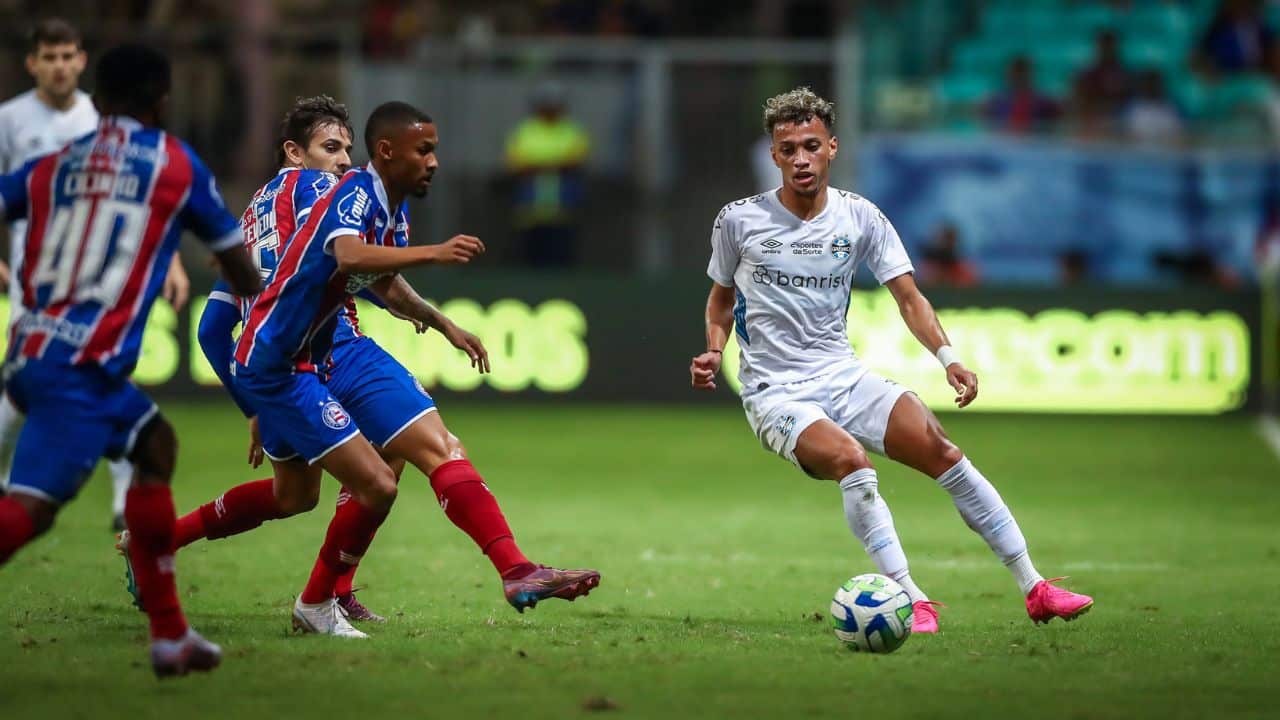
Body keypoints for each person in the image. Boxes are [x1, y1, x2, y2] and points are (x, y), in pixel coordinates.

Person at [689, 87, 1092, 633]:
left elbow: (909, 297)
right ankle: (911, 599)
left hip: (843, 375)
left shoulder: (861, 217)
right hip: (776, 392)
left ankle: (1035, 586)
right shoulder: (738, 221)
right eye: (788, 149)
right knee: (853, 462)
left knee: (943, 450)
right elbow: (720, 299)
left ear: (832, 147)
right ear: (774, 155)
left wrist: (948, 357)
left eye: (811, 145)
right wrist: (714, 352)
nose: (801, 159)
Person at [226, 101, 600, 637]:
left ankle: (516, 571)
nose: (435, 162)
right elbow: (352, 258)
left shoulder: (386, 204)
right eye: (424, 150)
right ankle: (303, 595)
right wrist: (435, 253)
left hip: (331, 349)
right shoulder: (342, 191)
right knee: (325, 491)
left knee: (435, 449)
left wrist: (442, 323)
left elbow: (379, 281)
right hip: (287, 363)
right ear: (387, 152)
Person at [0, 44, 262, 676]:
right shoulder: (173, 163)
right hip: (80, 369)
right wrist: (256, 289)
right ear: (161, 100)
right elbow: (237, 261)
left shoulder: (52, 165)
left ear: (102, 96)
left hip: (34, 350)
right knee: (31, 512)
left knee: (155, 447)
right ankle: (170, 634)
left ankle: (171, 635)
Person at [0, 19, 190, 531]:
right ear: (32, 63)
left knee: (102, 378)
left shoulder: (101, 114)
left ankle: (123, 502)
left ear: (82, 61)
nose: (60, 66)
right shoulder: (10, 121)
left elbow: (153, 195)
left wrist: (169, 259)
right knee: (27, 387)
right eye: (50, 56)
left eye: (68, 56)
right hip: (37, 280)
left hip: (109, 278)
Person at [504, 82, 590, 268]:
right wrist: (554, 164)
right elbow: (517, 166)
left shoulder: (572, 130)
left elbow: (575, 163)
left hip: (564, 211)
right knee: (529, 259)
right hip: (529, 212)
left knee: (562, 259)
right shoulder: (525, 131)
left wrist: (539, 164)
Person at [983, 56, 1060, 135]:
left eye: (1022, 74)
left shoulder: (1046, 103)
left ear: (1030, 75)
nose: (1019, 78)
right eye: (1016, 74)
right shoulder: (995, 102)